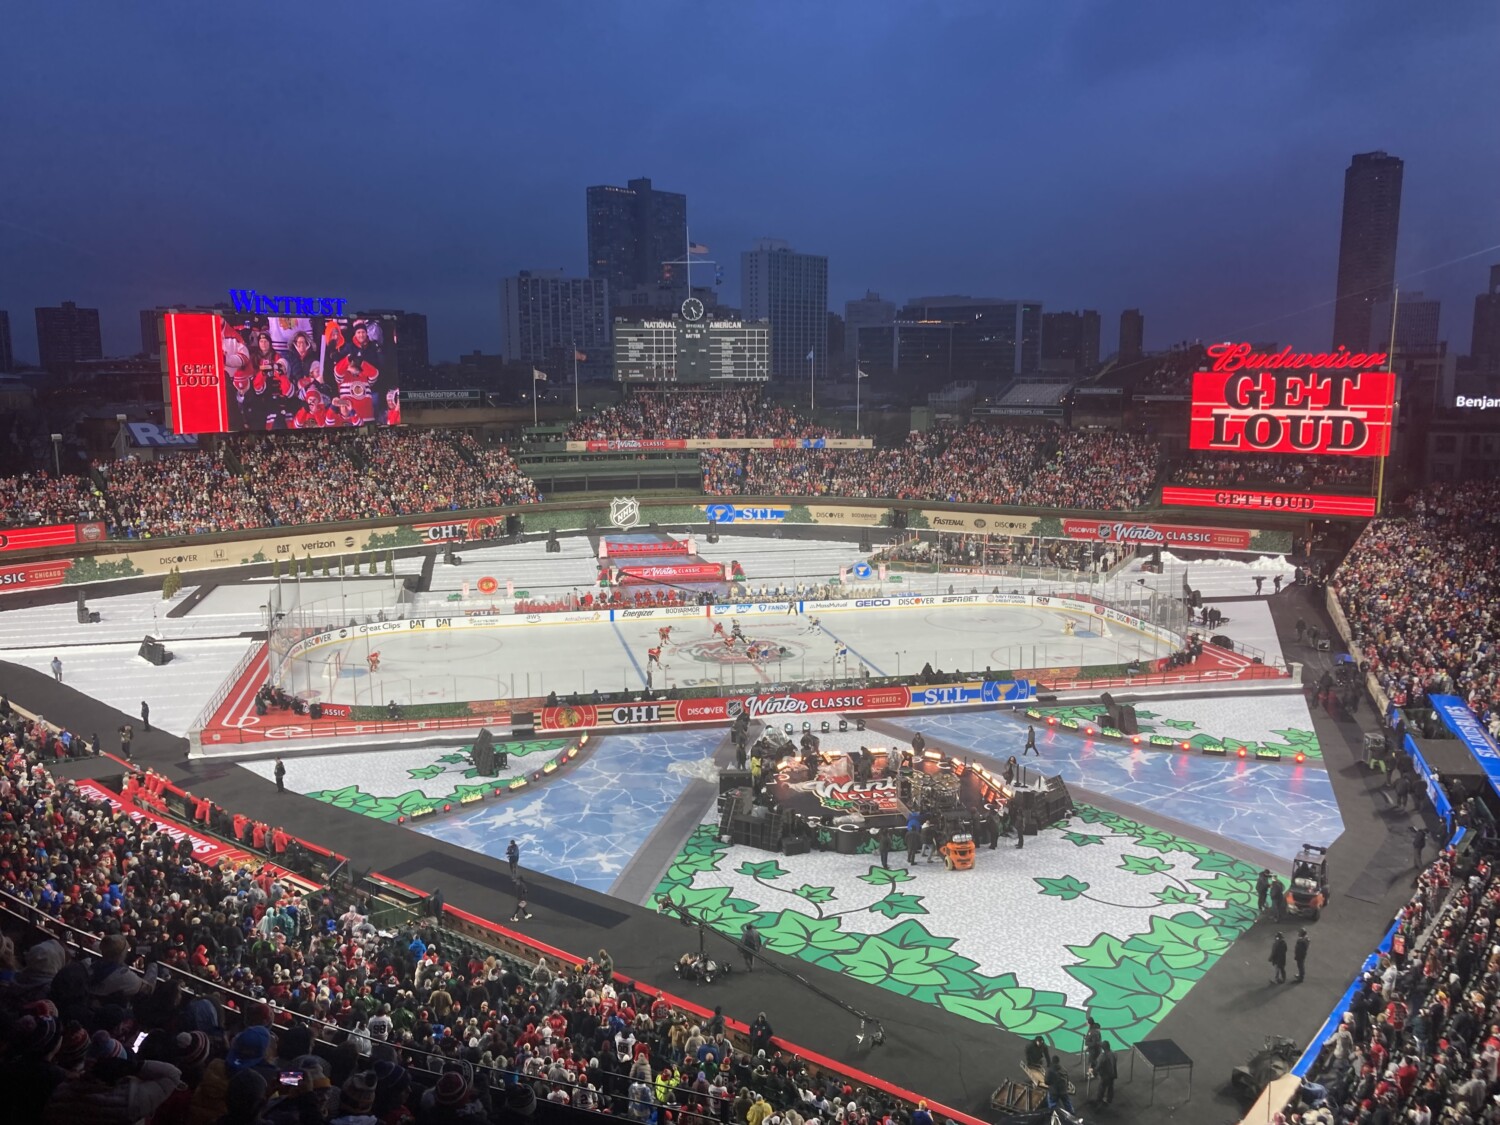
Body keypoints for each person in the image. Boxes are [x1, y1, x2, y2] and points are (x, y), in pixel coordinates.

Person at [1094, 1040, 1117, 1106]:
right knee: (1110, 1087)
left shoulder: (1102, 1056)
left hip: (1105, 1076)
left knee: (1101, 1088)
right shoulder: (1114, 1054)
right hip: (1112, 1074)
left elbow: (1098, 1066)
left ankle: (1099, 1101)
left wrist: (1093, 1071)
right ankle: (1109, 1099)